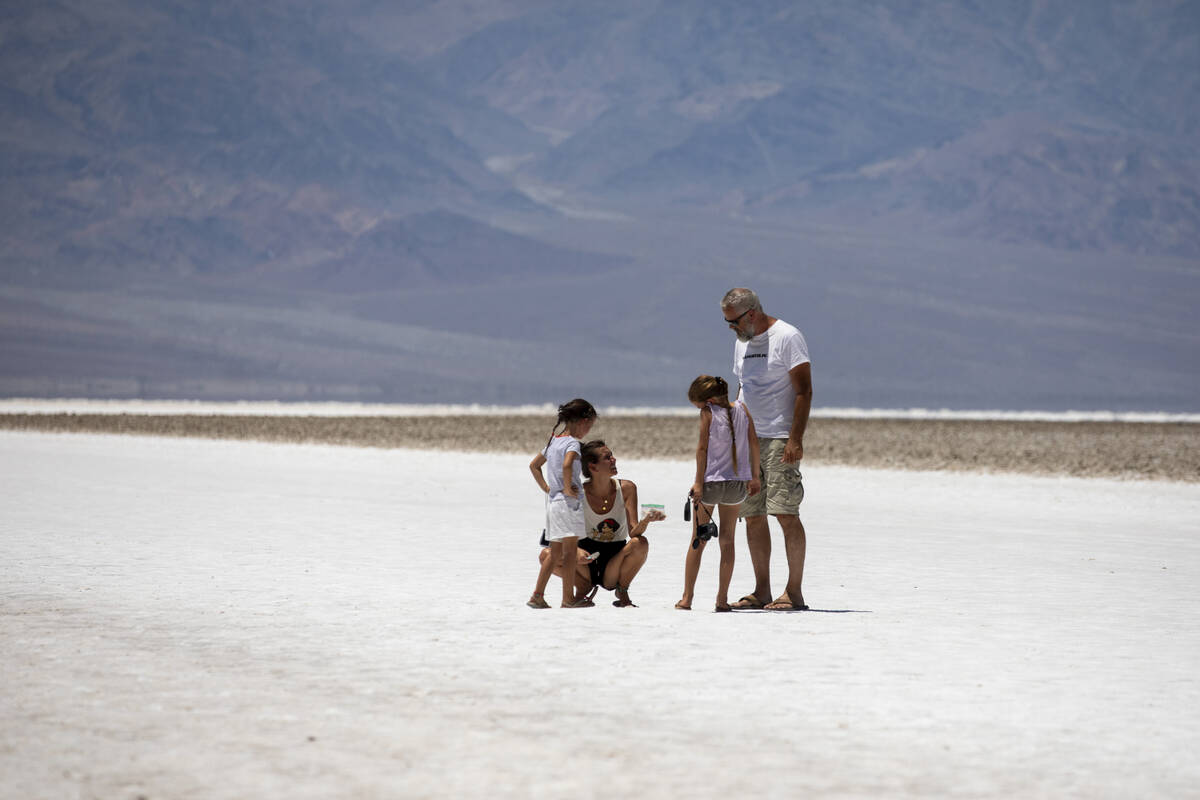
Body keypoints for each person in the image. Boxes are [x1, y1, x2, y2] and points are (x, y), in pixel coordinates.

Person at [721, 287, 813, 611]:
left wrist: (795, 438)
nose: (731, 328)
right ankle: (762, 590)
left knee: (784, 511)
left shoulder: (788, 337)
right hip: (747, 437)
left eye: (733, 322)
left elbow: (804, 391)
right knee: (753, 514)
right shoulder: (741, 343)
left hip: (778, 436)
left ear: (752, 314)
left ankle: (795, 592)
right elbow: (743, 387)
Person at [536, 440, 666, 607]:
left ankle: (622, 590)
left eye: (612, 456)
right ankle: (582, 586)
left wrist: (646, 521)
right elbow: (556, 534)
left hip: (614, 558)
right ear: (593, 467)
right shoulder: (578, 492)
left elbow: (634, 532)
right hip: (585, 556)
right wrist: (575, 550)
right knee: (546, 555)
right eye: (607, 457)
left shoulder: (627, 488)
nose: (614, 460)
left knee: (640, 543)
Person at [676, 375, 760, 612]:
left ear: (709, 400)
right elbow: (754, 443)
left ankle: (687, 598)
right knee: (728, 541)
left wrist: (697, 483)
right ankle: (722, 600)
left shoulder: (709, 413)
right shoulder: (743, 409)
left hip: (711, 483)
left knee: (698, 540)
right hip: (737, 485)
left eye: (699, 404)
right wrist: (755, 477)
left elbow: (702, 449)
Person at [527, 399, 597, 608]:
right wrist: (567, 488)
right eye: (589, 426)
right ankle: (568, 598)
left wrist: (548, 488)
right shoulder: (572, 443)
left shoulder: (553, 441)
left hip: (554, 503)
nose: (588, 431)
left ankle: (537, 595)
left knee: (555, 552)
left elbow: (534, 466)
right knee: (569, 554)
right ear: (583, 422)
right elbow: (568, 465)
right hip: (568, 504)